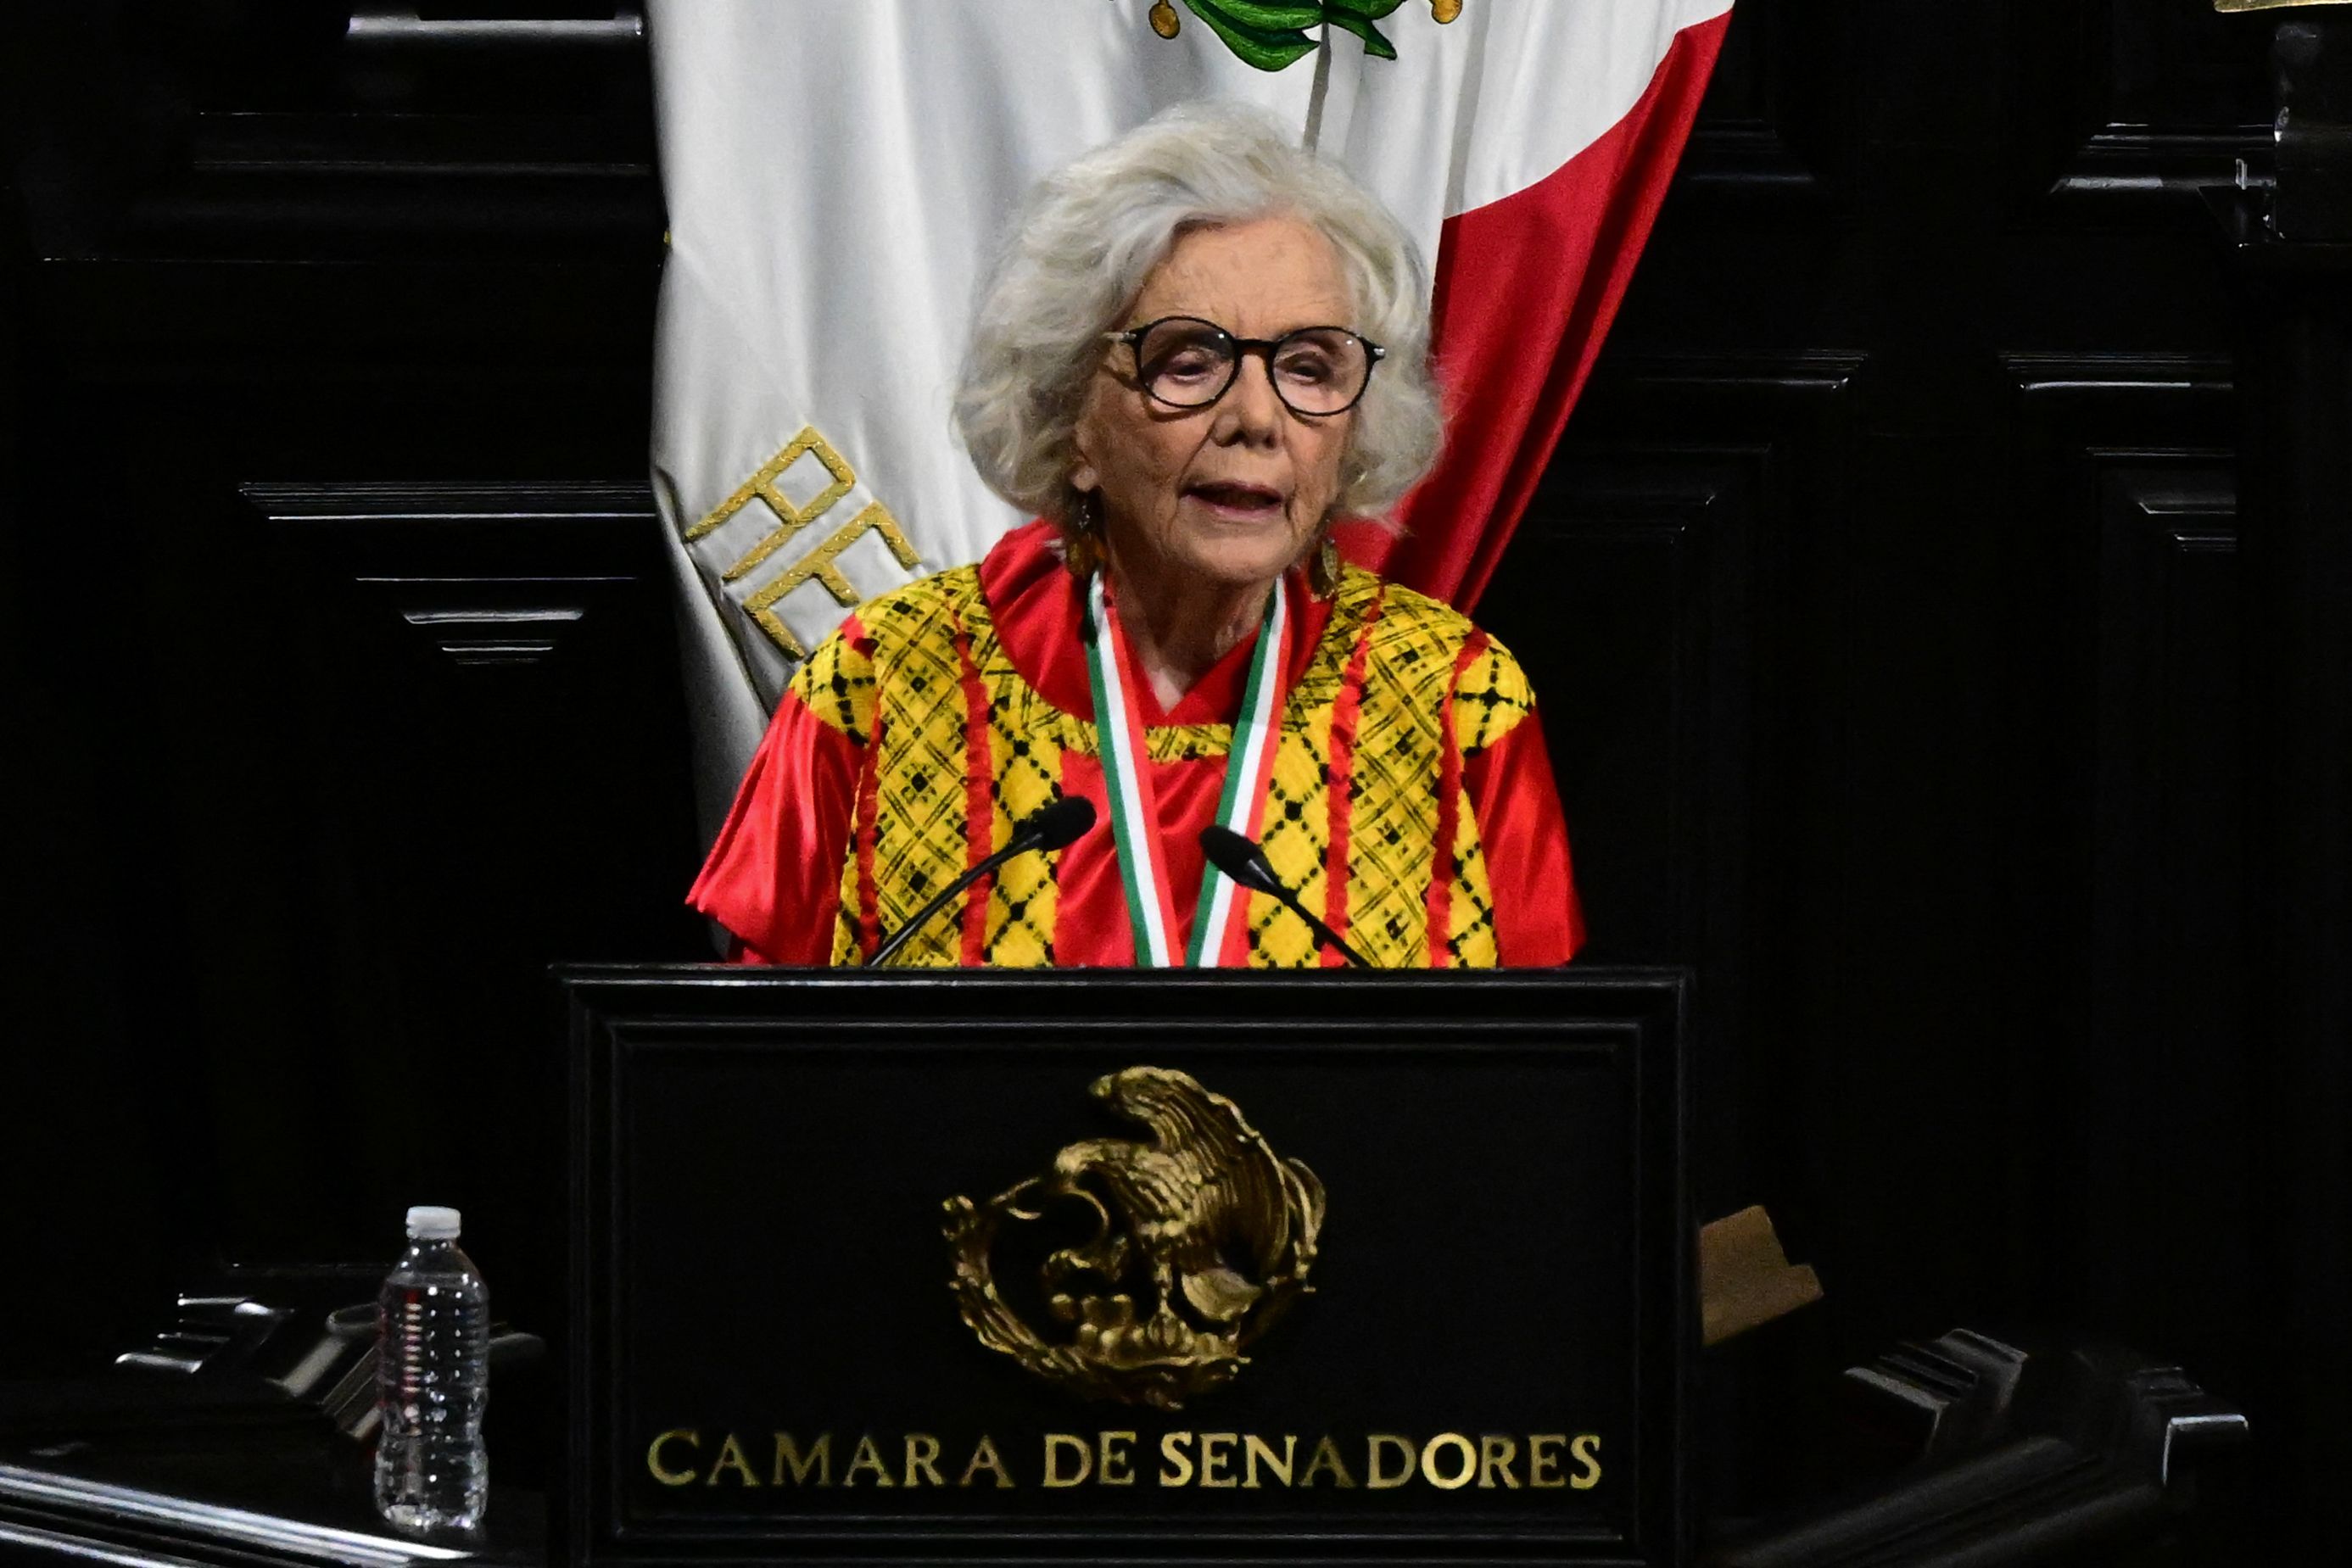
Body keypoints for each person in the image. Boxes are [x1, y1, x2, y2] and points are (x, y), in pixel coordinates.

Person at [689, 103, 1583, 968]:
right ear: (1073, 414)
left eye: (1309, 367)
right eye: (1188, 361)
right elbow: (756, 1083)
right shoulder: (879, 687)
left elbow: (1539, 1086)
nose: (1255, 418)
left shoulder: (1453, 700)